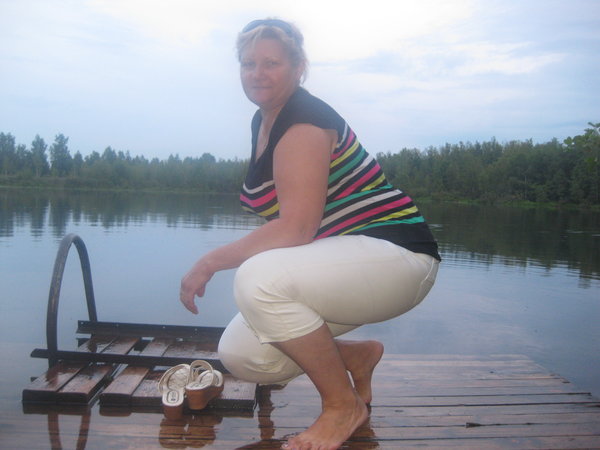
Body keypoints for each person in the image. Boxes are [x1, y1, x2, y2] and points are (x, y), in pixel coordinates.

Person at [180, 18, 441, 450]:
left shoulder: (304, 120)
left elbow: (296, 229)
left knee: (257, 278)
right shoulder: (265, 120)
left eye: (271, 63)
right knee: (244, 354)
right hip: (351, 260)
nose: (258, 73)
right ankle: (355, 356)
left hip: (399, 256)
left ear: (298, 67)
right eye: (248, 63)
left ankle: (342, 407)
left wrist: (209, 262)